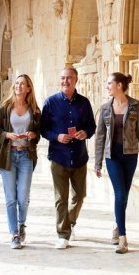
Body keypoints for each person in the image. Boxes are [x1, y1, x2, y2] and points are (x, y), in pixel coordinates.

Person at [40, 66, 96, 249]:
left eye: (69, 78)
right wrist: (57, 136)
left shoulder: (84, 103)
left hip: (79, 157)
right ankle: (63, 234)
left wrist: (84, 133)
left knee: (79, 196)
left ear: (76, 80)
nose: (66, 81)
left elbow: (92, 126)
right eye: (63, 78)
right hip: (59, 157)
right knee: (60, 198)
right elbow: (43, 129)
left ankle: (69, 223)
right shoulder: (50, 103)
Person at [94, 72, 139, 254]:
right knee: (119, 193)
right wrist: (98, 162)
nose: (107, 86)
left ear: (119, 85)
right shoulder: (105, 108)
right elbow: (100, 136)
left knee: (124, 194)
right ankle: (123, 238)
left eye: (110, 83)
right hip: (112, 156)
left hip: (130, 155)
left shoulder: (135, 106)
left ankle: (117, 225)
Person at [0, 74, 41, 249]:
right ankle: (14, 234)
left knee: (23, 197)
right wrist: (7, 135)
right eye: (17, 84)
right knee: (10, 197)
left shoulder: (35, 109)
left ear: (28, 88)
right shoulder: (6, 107)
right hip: (8, 156)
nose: (19, 86)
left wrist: (33, 135)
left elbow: (38, 133)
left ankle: (22, 224)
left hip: (26, 156)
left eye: (23, 84)